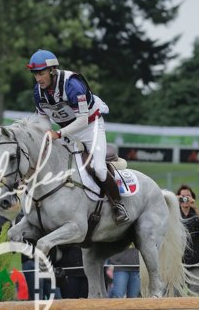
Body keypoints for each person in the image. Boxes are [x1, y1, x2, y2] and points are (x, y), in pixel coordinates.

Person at [27, 49, 128, 224]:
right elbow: (43, 118)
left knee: (99, 169)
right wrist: (45, 133)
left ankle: (118, 205)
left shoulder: (72, 85)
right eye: (35, 74)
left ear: (52, 70)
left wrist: (58, 134)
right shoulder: (38, 91)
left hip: (90, 127)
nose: (38, 79)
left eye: (41, 74)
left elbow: (82, 120)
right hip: (67, 130)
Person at [178, 185, 199, 294]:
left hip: (195, 259)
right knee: (175, 292)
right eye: (182, 196)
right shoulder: (173, 213)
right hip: (177, 260)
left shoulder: (197, 214)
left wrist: (195, 207)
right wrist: (173, 202)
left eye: (188, 196)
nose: (185, 199)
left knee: (195, 291)